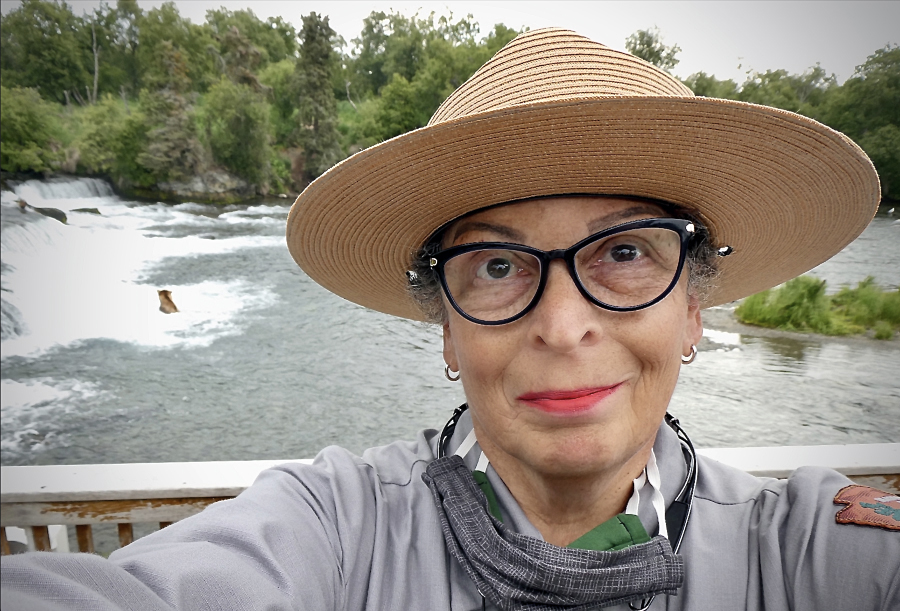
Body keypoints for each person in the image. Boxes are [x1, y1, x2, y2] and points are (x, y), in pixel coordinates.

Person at [2, 27, 897, 611]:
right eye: (499, 265)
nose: (562, 324)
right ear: (445, 328)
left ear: (693, 305)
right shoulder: (335, 528)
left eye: (625, 252)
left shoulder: (806, 552)